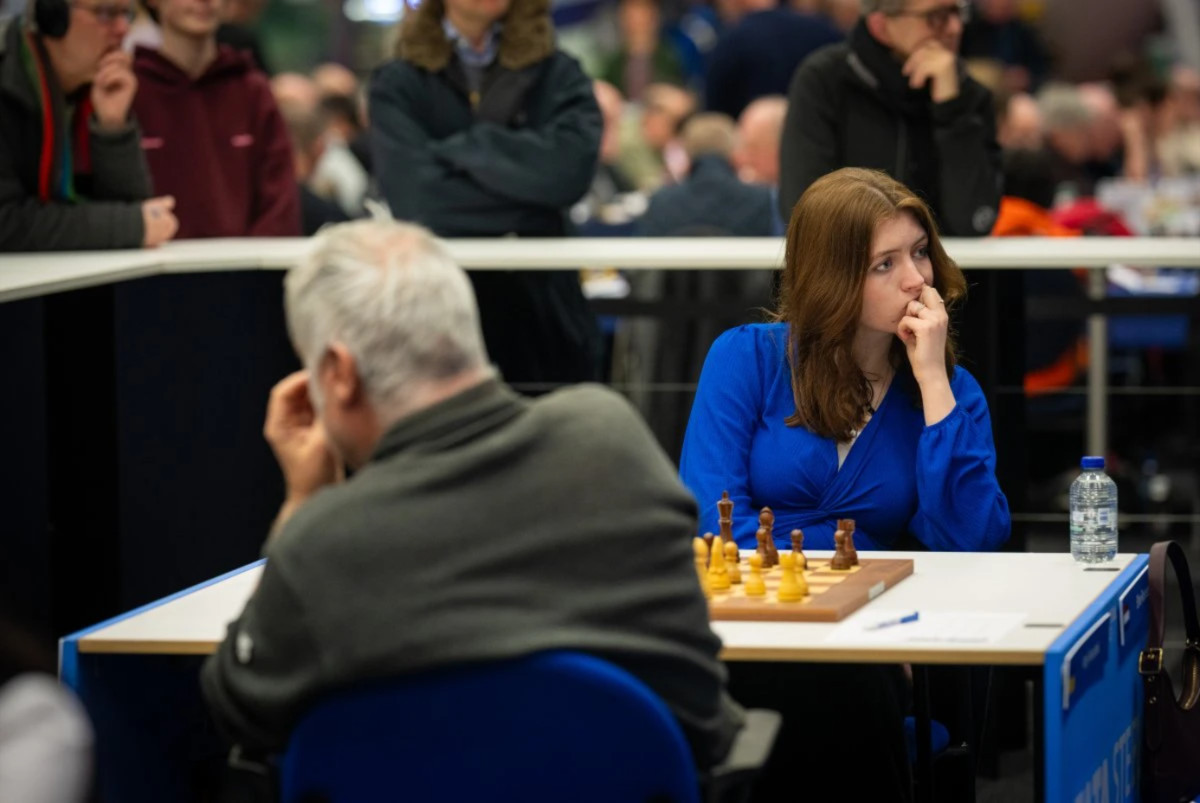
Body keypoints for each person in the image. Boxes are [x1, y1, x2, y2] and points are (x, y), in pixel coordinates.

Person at [200, 220, 746, 773]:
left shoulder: (324, 540)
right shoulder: (610, 439)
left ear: (338, 373)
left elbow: (238, 707)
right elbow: (704, 716)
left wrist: (303, 502)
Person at [681, 167, 1010, 551]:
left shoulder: (950, 390)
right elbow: (712, 521)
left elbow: (974, 541)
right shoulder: (746, 359)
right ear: (830, 279)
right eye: (884, 264)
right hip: (759, 595)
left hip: (883, 601)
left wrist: (933, 381)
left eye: (920, 252)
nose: (917, 279)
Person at [369, 0, 603, 387]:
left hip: (545, 323)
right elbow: (417, 200)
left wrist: (469, 147)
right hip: (434, 320)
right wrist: (531, 202)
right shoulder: (398, 81)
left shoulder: (559, 72)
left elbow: (569, 175)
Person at [779, 0, 1001, 237]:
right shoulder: (825, 82)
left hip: (948, 271)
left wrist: (951, 110)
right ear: (881, 25)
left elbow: (975, 221)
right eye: (936, 16)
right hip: (853, 268)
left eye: (958, 12)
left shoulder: (969, 96)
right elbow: (805, 212)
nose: (956, 28)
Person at [0, 0, 177, 251]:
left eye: (126, 14)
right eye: (105, 13)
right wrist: (128, 227)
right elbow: (6, 222)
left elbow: (132, 209)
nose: (123, 28)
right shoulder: (9, 78)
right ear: (53, 17)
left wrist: (113, 127)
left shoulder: (93, 86)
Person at [131, 0, 300, 238]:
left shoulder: (252, 91)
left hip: (244, 268)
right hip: (151, 267)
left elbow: (281, 202)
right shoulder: (130, 90)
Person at [703, 0, 841, 120]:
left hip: (757, 143)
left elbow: (715, 118)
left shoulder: (729, 44)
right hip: (821, 142)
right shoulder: (826, 33)